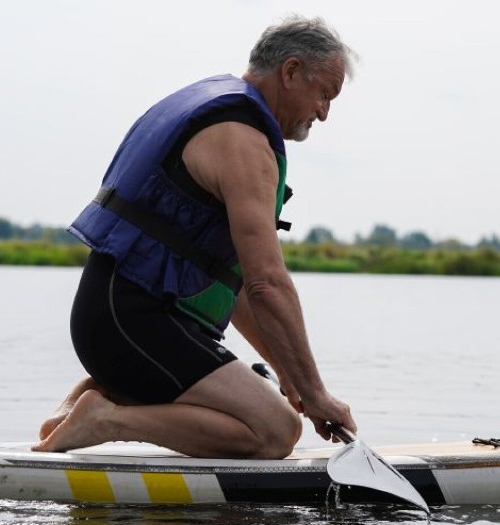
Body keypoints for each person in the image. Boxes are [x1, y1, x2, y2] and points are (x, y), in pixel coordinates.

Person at [33, 16, 357, 459]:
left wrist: (292, 376)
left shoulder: (218, 107)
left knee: (269, 404)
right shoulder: (243, 141)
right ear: (291, 71)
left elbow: (229, 284)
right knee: (275, 431)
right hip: (134, 322)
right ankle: (105, 419)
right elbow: (266, 282)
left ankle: (79, 410)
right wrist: (317, 394)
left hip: (119, 318)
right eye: (324, 94)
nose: (323, 112)